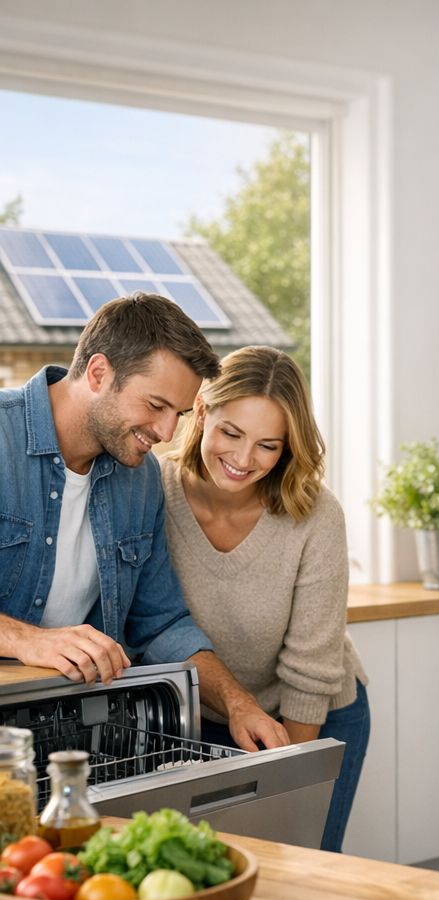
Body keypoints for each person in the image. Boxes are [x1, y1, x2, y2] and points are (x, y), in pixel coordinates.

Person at [0, 292, 290, 752]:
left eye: (178, 413)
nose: (167, 432)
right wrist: (23, 639)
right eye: (155, 405)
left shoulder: (142, 478)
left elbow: (160, 624)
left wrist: (238, 703)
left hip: (70, 740)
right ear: (98, 373)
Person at [160, 346, 369, 852]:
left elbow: (312, 667)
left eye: (267, 445)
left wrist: (287, 783)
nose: (242, 459)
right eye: (231, 434)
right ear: (203, 412)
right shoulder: (153, 491)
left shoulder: (314, 515)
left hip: (309, 714)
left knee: (298, 871)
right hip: (194, 720)